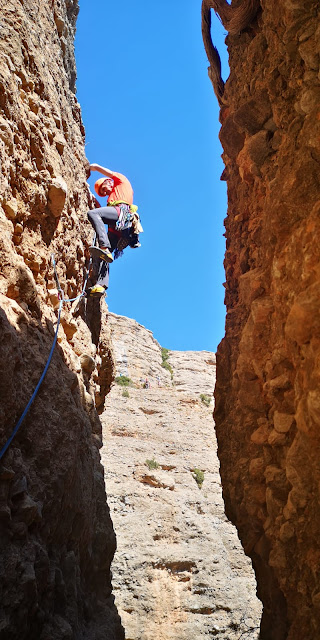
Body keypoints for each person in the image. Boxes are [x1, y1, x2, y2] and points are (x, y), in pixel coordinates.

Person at [87, 163, 142, 296]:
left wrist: (93, 167)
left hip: (121, 214)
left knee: (93, 214)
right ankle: (101, 285)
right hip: (117, 228)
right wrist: (93, 199)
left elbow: (109, 173)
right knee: (103, 256)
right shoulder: (113, 198)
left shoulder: (121, 181)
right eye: (102, 193)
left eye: (103, 189)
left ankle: (104, 246)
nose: (105, 193)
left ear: (109, 182)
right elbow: (106, 212)